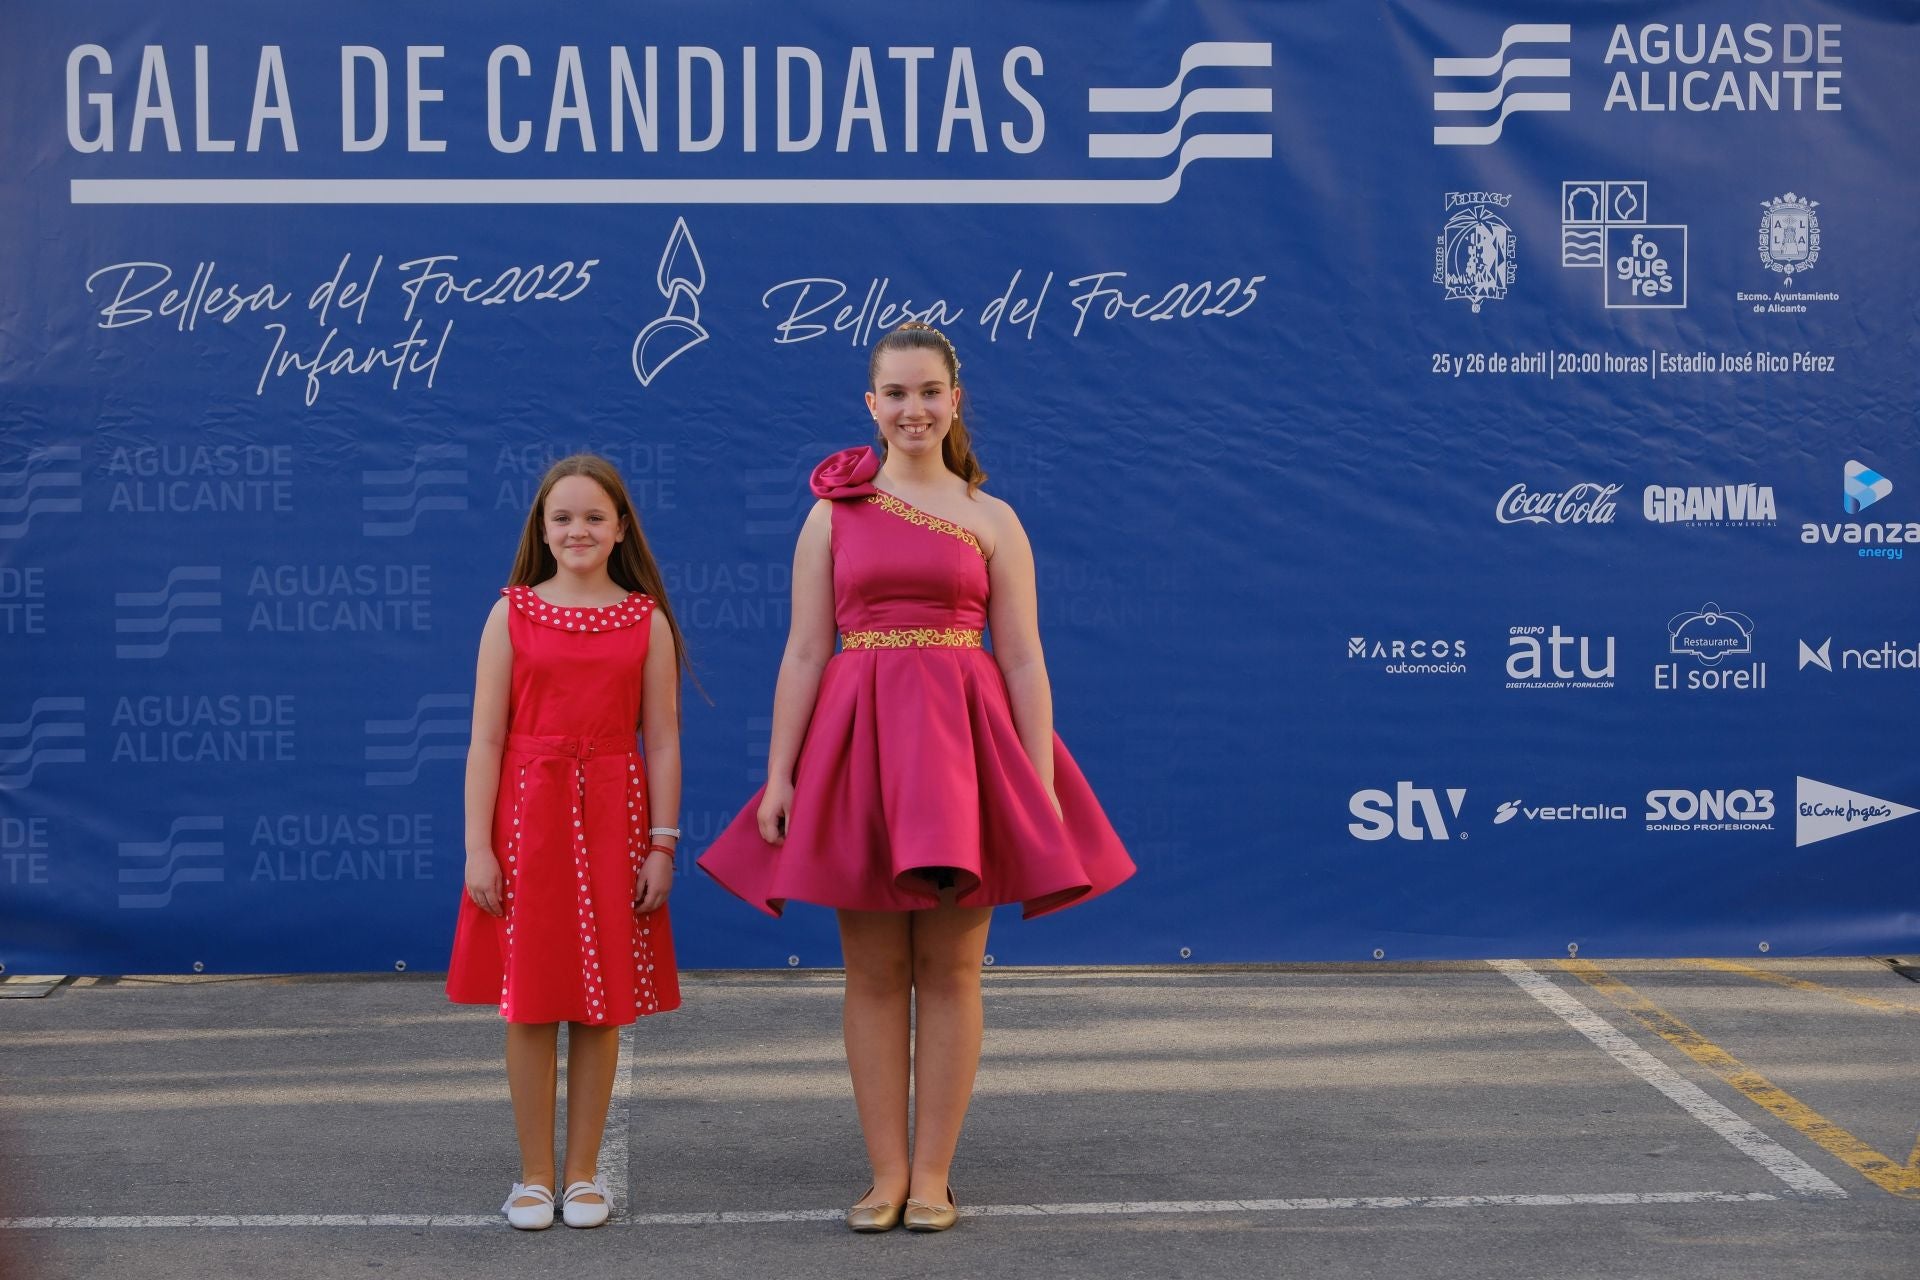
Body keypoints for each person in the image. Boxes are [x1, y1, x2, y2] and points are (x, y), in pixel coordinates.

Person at [698, 321, 1135, 1232]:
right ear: (871, 405)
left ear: (955, 400)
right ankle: (884, 1173)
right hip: (859, 748)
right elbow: (806, 651)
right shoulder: (830, 513)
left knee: (951, 971)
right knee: (869, 972)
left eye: (929, 392)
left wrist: (1040, 780)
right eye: (895, 393)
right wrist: (779, 777)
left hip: (966, 754)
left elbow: (1021, 659)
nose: (913, 409)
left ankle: (933, 1174)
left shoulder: (992, 516)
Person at [446, 454, 691, 1231]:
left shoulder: (644, 618)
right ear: (542, 530)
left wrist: (662, 846)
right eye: (563, 517)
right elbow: (486, 739)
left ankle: (582, 1176)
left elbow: (663, 742)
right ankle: (531, 1176)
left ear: (620, 528)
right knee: (530, 1003)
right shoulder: (509, 613)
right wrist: (477, 849)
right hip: (529, 823)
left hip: (617, 820)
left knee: (600, 1005)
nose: (578, 529)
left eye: (594, 516)